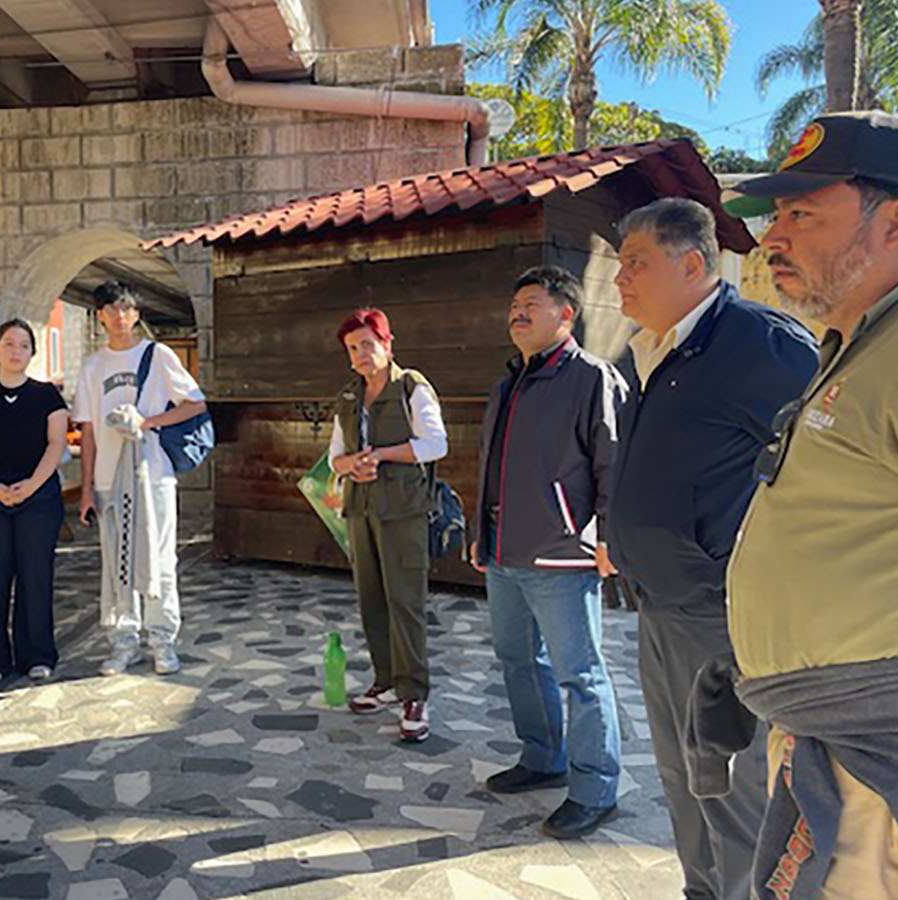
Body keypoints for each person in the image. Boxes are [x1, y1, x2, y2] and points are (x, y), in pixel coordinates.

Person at [723, 111, 898, 896]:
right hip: (841, 747)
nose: (771, 237)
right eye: (776, 215)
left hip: (892, 759)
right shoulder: (876, 337)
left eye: (802, 214)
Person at [604, 198, 819, 900]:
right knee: (681, 781)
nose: (618, 281)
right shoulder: (655, 349)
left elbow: (828, 466)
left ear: (693, 264)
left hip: (721, 620)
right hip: (659, 614)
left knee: (730, 791)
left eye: (635, 262)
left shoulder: (762, 345)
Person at [470, 267, 627, 837]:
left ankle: (595, 789)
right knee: (518, 662)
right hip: (504, 554)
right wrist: (479, 535)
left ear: (567, 313)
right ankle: (542, 758)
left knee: (581, 675)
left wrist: (609, 536)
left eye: (530, 303)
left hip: (563, 556)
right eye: (514, 303)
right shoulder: (509, 380)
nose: (517, 312)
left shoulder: (592, 379)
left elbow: (613, 461)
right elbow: (491, 467)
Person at [74, 282, 207, 677]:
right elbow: (89, 429)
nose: (119, 316)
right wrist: (86, 488)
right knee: (115, 562)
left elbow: (194, 403)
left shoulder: (158, 355)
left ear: (136, 314)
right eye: (111, 309)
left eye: (126, 309)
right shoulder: (92, 365)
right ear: (100, 315)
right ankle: (122, 641)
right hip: (107, 478)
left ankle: (162, 639)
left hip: (153, 474)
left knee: (160, 558)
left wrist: (147, 422)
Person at [329, 308, 448, 743]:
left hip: (403, 510)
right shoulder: (347, 396)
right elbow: (333, 458)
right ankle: (385, 681)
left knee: (406, 602)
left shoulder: (411, 386)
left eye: (366, 344)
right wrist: (351, 465)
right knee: (372, 601)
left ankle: (414, 692)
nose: (360, 354)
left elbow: (436, 444)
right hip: (360, 509)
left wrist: (379, 455)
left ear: (386, 344)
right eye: (352, 348)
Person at [0, 319, 68, 683]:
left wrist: (31, 485)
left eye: (23, 345)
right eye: (8, 344)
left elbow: (56, 444)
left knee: (35, 576)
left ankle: (37, 653)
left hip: (37, 499)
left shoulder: (48, 397)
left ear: (32, 352)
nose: (15, 352)